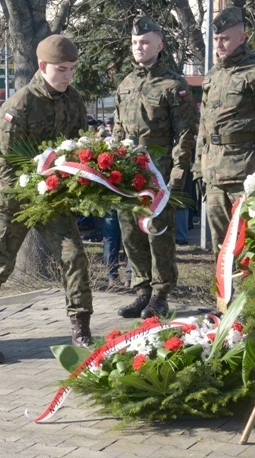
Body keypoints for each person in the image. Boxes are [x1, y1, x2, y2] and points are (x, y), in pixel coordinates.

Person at [0, 34, 93, 365]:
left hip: (52, 199)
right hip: (14, 199)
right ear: (42, 66)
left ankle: (81, 330)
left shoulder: (74, 101)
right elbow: (8, 163)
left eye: (71, 70)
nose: (67, 76)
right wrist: (41, 182)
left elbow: (76, 147)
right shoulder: (18, 106)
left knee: (74, 256)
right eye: (61, 69)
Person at [113, 16, 197, 319]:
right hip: (127, 172)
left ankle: (160, 295)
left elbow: (185, 134)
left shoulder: (174, 85)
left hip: (158, 173)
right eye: (135, 43)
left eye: (145, 42)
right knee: (131, 232)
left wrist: (177, 174)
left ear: (159, 45)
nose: (139, 47)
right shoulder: (125, 84)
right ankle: (142, 290)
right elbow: (118, 130)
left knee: (158, 233)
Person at [194, 6, 255, 254]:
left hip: (245, 172)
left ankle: (250, 294)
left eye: (225, 39)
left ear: (242, 38)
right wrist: (198, 167)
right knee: (221, 248)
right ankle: (224, 295)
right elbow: (204, 125)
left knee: (249, 245)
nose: (219, 45)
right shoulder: (212, 75)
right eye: (216, 39)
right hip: (213, 175)